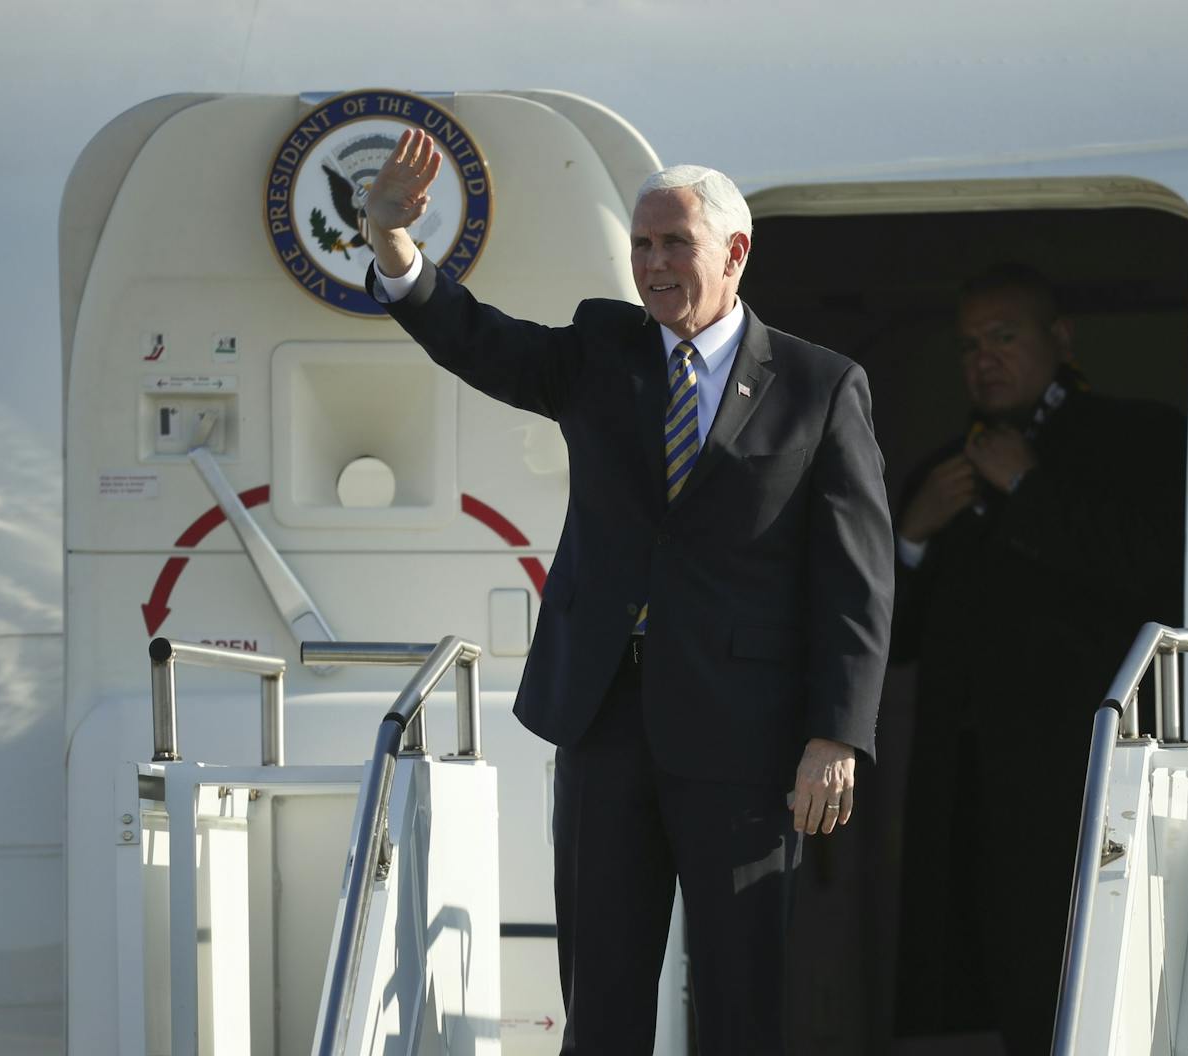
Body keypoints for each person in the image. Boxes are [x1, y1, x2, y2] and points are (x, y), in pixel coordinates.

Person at [362, 130, 894, 1055]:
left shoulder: (819, 385)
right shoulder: (606, 348)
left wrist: (836, 731)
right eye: (641, 246)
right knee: (601, 1001)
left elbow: (857, 574)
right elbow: (483, 344)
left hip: (746, 737)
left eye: (672, 244)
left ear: (734, 253)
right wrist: (394, 249)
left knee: (740, 1000)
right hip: (604, 717)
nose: (651, 265)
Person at [891, 263, 1185, 1053]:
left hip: (1087, 773)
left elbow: (1158, 579)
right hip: (966, 787)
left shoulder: (1141, 437)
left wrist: (1029, 487)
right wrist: (911, 536)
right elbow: (890, 643)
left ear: (1060, 339)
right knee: (975, 984)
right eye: (966, 345)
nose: (982, 359)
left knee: (1087, 971)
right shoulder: (943, 471)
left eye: (1003, 336)